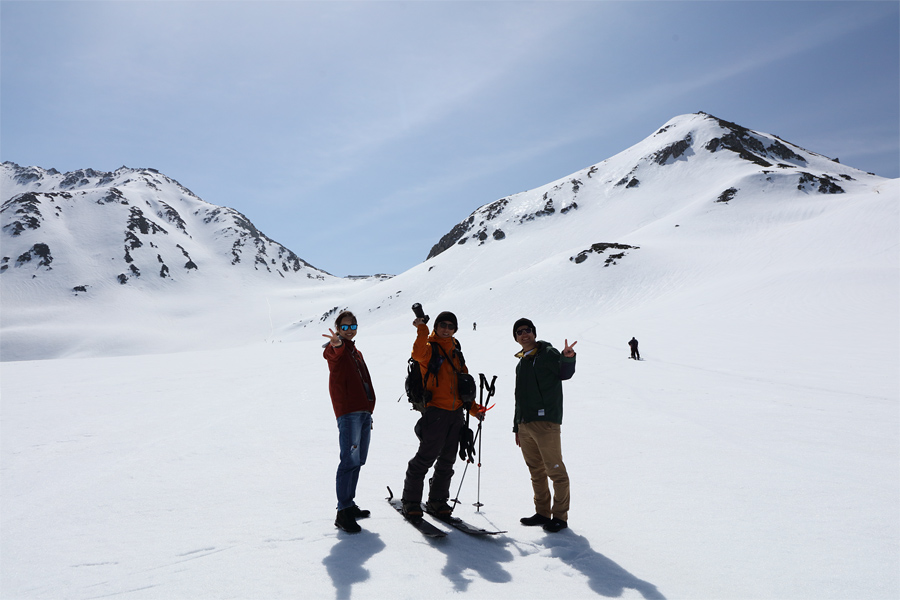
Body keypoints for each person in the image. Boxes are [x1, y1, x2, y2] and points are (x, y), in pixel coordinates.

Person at [401, 311, 486, 518]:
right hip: (436, 412)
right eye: (443, 325)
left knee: (447, 460)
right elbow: (417, 354)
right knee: (425, 458)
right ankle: (411, 501)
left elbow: (461, 383)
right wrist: (421, 329)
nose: (446, 329)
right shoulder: (429, 348)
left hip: (456, 414)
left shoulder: (456, 351)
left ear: (455, 329)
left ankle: (438, 501)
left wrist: (474, 409)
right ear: (436, 326)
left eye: (450, 326)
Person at [512, 318, 577, 533]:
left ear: (534, 333)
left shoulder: (548, 353)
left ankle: (560, 516)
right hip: (525, 425)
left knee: (555, 471)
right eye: (520, 332)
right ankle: (542, 512)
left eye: (528, 330)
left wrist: (568, 358)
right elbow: (518, 397)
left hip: (546, 423)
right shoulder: (521, 363)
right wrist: (517, 426)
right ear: (516, 338)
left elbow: (564, 373)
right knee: (536, 471)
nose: (524, 334)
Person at [322, 311, 376, 534]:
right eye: (344, 327)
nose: (350, 330)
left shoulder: (356, 352)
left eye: (353, 326)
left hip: (363, 412)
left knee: (359, 459)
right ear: (337, 329)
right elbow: (332, 354)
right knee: (349, 460)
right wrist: (335, 344)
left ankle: (349, 504)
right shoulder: (339, 349)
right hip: (349, 412)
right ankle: (342, 511)